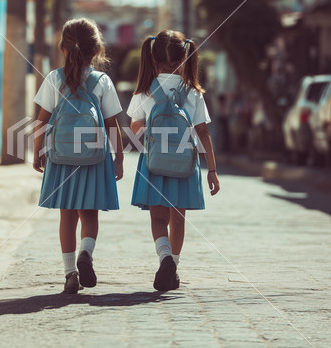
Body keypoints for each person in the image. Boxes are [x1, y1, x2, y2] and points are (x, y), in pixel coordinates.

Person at [33, 18, 124, 294]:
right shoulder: (102, 81)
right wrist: (118, 158)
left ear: (62, 48)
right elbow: (112, 124)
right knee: (90, 212)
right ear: (96, 50)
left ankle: (70, 272)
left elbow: (42, 121)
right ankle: (87, 252)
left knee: (67, 216)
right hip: (94, 158)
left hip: (61, 158)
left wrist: (37, 151)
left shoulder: (54, 78)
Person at [127, 30, 220, 291]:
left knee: (158, 218)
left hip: (153, 164)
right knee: (177, 219)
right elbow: (203, 133)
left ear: (154, 60)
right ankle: (174, 267)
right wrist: (212, 169)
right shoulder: (192, 92)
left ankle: (164, 257)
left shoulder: (144, 91)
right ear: (184, 58)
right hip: (184, 166)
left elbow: (135, 128)